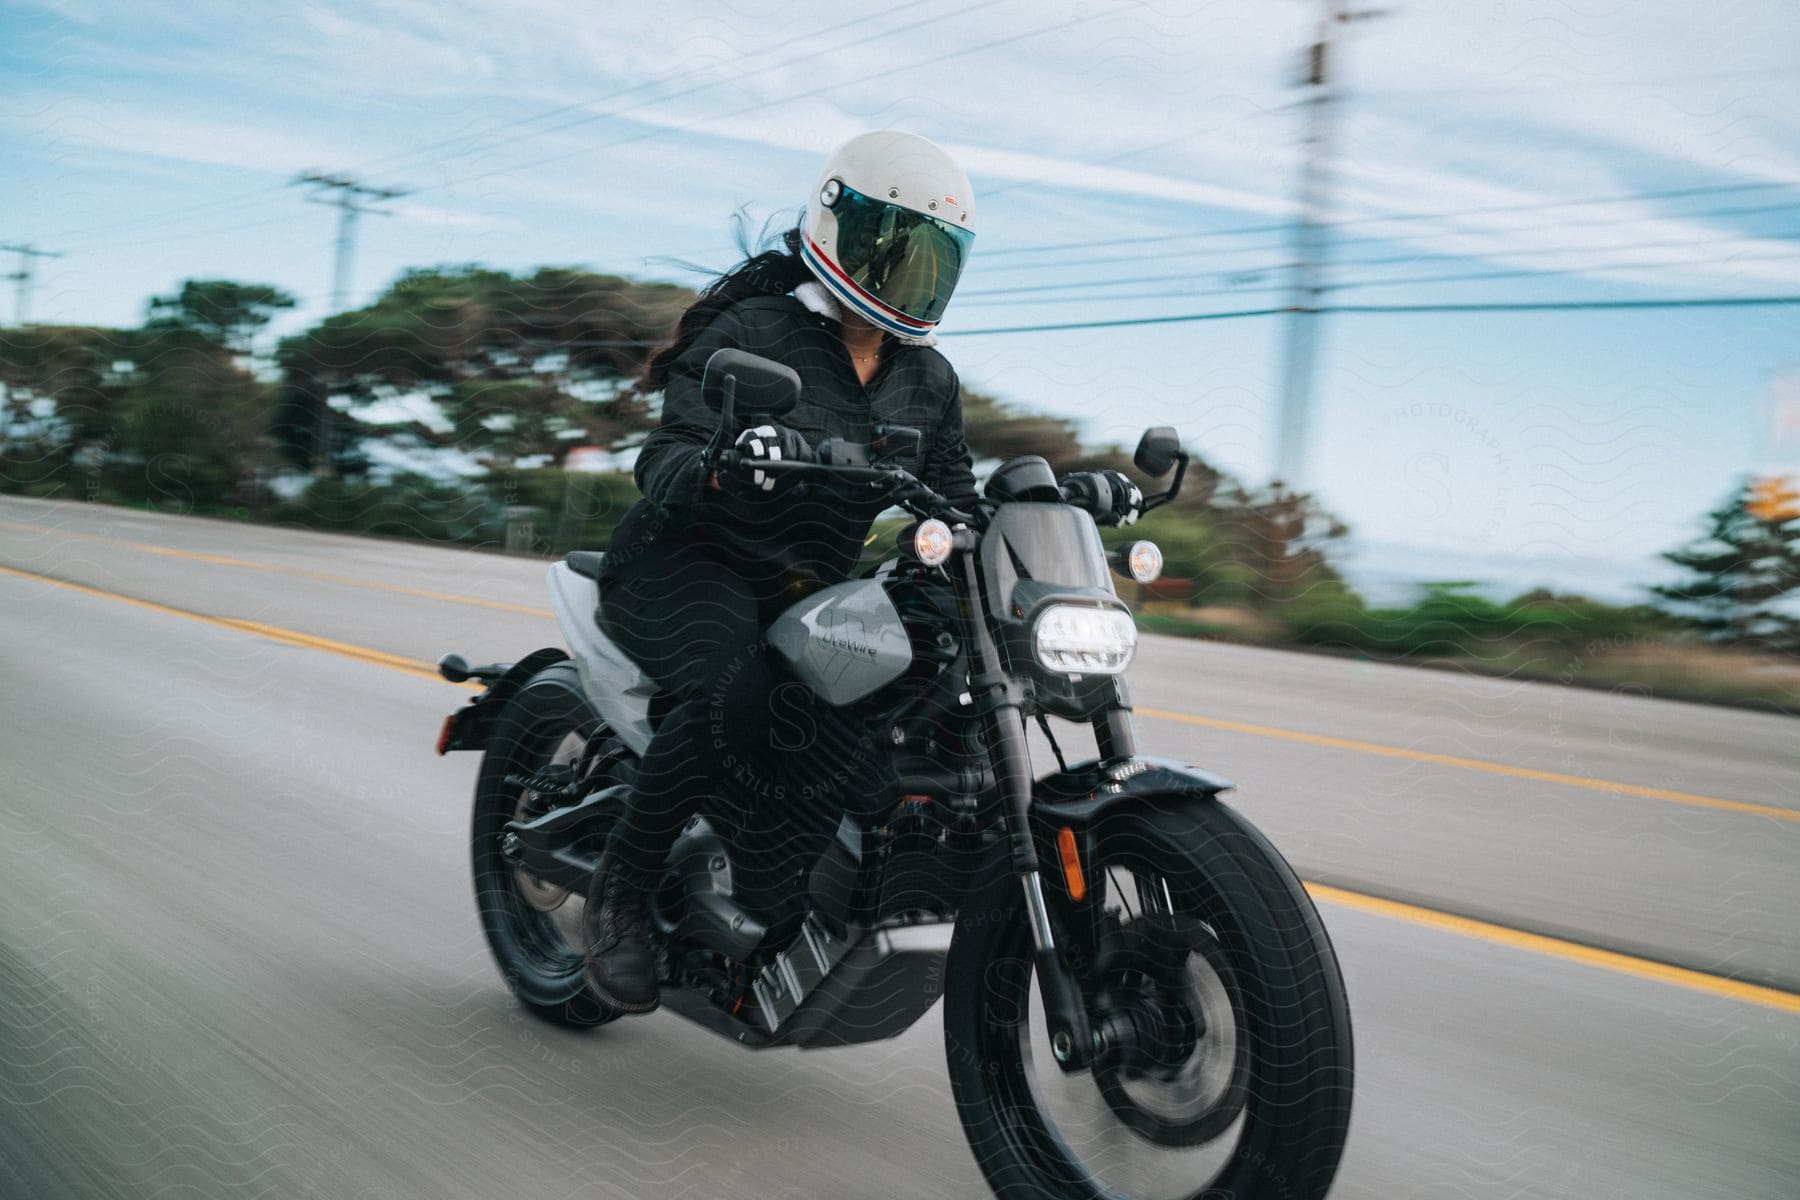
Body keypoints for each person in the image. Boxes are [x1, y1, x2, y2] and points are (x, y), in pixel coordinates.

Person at [582, 131, 980, 1013]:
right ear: (838, 225)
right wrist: (730, 460)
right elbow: (667, 456)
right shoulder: (757, 331)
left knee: (894, 698)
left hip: (808, 585)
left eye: (929, 260)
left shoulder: (929, 379)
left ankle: (778, 891)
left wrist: (1049, 508)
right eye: (893, 249)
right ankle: (623, 889)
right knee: (733, 688)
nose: (908, 276)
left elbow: (956, 503)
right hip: (689, 562)